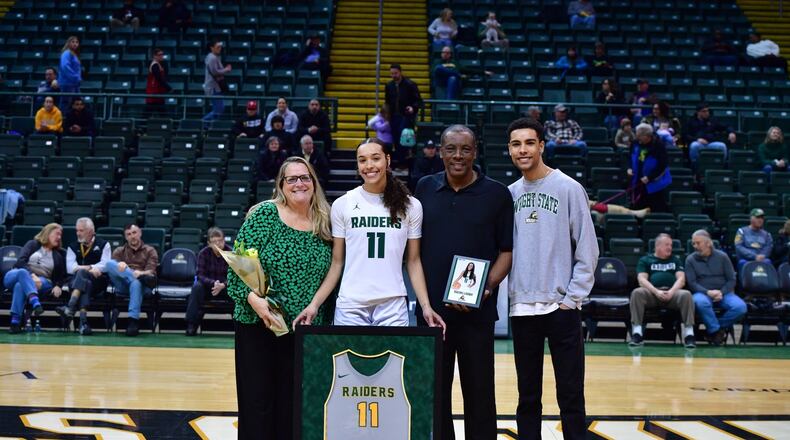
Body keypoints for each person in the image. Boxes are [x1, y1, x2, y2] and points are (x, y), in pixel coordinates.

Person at [414, 125, 513, 439]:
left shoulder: (497, 194)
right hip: (432, 315)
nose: (458, 156)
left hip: (477, 314)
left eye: (465, 149)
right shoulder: (424, 188)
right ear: (441, 152)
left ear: (475, 152)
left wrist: (485, 289)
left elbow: (507, 253)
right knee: (434, 392)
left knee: (480, 392)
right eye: (451, 148)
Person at [227, 156, 333, 440]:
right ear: (281, 186)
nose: (299, 183)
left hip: (303, 330)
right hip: (258, 324)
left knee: (293, 404)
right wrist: (255, 301)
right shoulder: (265, 216)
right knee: (257, 403)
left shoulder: (326, 223)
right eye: (292, 179)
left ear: (314, 182)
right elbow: (238, 268)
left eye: (305, 177)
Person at [507, 117, 598, 440]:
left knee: (571, 395)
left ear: (542, 145)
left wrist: (572, 299)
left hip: (561, 308)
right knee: (527, 397)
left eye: (529, 142)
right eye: (516, 144)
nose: (523, 149)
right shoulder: (510, 194)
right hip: (522, 309)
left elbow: (587, 250)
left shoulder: (568, 188)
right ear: (509, 150)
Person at [293, 138, 445, 330]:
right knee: (345, 361)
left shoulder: (411, 206)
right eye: (362, 160)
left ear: (387, 160)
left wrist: (426, 306)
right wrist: (314, 305)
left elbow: (413, 261)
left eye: (375, 158)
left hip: (392, 304)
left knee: (394, 360)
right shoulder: (343, 204)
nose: (369, 165)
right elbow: (337, 262)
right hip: (350, 304)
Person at [628, 234, 696, 348]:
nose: (670, 247)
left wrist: (672, 292)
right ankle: (637, 333)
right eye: (667, 245)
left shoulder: (675, 260)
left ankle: (689, 334)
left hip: (672, 294)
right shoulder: (646, 260)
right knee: (637, 293)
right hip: (652, 294)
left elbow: (681, 279)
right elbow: (642, 280)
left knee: (686, 294)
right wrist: (656, 291)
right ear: (658, 246)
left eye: (671, 245)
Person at [686, 229, 746, 345]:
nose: (695, 246)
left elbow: (732, 279)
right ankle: (716, 331)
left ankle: (715, 329)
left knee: (741, 307)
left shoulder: (722, 257)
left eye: (698, 243)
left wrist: (721, 292)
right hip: (702, 293)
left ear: (709, 243)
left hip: (724, 293)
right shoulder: (690, 260)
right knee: (700, 302)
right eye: (693, 243)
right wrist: (708, 292)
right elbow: (692, 283)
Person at [5, 223, 66, 334]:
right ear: (47, 233)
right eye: (57, 234)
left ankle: (15, 322)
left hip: (43, 280)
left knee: (20, 285)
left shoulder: (59, 254)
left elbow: (60, 276)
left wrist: (58, 286)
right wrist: (32, 275)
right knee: (22, 273)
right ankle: (35, 301)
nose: (59, 237)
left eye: (60, 235)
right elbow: (20, 262)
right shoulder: (33, 244)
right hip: (17, 274)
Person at [56, 218, 111, 336]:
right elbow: (70, 268)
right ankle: (83, 322)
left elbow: (106, 265)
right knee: (85, 281)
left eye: (81, 230)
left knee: (83, 276)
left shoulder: (104, 244)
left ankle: (70, 307)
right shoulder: (72, 246)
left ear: (91, 231)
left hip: (98, 281)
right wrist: (90, 268)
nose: (78, 233)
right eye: (77, 230)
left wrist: (86, 267)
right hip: (76, 280)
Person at [105, 224, 159, 337]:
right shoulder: (120, 251)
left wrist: (141, 273)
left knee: (136, 283)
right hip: (123, 284)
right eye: (129, 234)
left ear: (140, 233)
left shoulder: (150, 250)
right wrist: (123, 267)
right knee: (109, 264)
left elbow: (151, 272)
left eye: (134, 233)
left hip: (144, 285)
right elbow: (113, 268)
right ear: (126, 237)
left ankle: (133, 321)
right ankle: (133, 276)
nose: (132, 236)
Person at [185, 227, 230, 336]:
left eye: (220, 241)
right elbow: (200, 275)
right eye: (214, 242)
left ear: (224, 240)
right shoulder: (203, 253)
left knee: (238, 288)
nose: (218, 244)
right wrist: (214, 283)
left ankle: (240, 325)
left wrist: (223, 285)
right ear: (209, 243)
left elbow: (235, 276)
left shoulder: (231, 253)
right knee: (197, 287)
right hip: (209, 287)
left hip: (225, 287)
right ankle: (192, 324)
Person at [627, 124, 671, 213]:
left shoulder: (658, 145)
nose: (638, 138)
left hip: (654, 184)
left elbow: (662, 165)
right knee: (637, 208)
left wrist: (650, 177)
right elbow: (630, 157)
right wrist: (629, 168)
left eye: (640, 136)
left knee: (655, 207)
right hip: (637, 181)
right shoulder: (635, 143)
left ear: (647, 136)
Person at [385, 64, 422, 161]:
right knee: (396, 138)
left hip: (406, 116)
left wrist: (412, 107)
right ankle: (398, 160)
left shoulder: (410, 84)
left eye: (395, 73)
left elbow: (418, 100)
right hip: (393, 116)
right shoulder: (389, 86)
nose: (394, 75)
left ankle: (405, 161)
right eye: (392, 73)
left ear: (400, 72)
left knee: (405, 138)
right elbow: (387, 102)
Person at [202, 39, 231, 122]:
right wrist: (226, 69)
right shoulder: (212, 58)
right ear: (212, 48)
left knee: (219, 109)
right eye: (218, 47)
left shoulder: (214, 57)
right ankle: (202, 123)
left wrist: (224, 69)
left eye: (220, 47)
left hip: (216, 86)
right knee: (219, 109)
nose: (220, 49)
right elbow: (215, 72)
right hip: (213, 87)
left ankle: (208, 126)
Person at [144, 48, 172, 119]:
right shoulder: (154, 65)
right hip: (153, 93)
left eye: (162, 55)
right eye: (160, 55)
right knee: (149, 112)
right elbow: (159, 78)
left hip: (158, 93)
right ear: (154, 56)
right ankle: (141, 126)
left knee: (160, 112)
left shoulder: (159, 64)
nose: (162, 56)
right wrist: (168, 88)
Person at [58, 36, 81, 110]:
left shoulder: (74, 54)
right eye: (73, 42)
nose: (75, 44)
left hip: (74, 83)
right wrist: (75, 77)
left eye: (77, 42)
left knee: (76, 103)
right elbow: (65, 67)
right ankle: (64, 120)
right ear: (68, 43)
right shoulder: (67, 53)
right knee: (66, 103)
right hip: (67, 83)